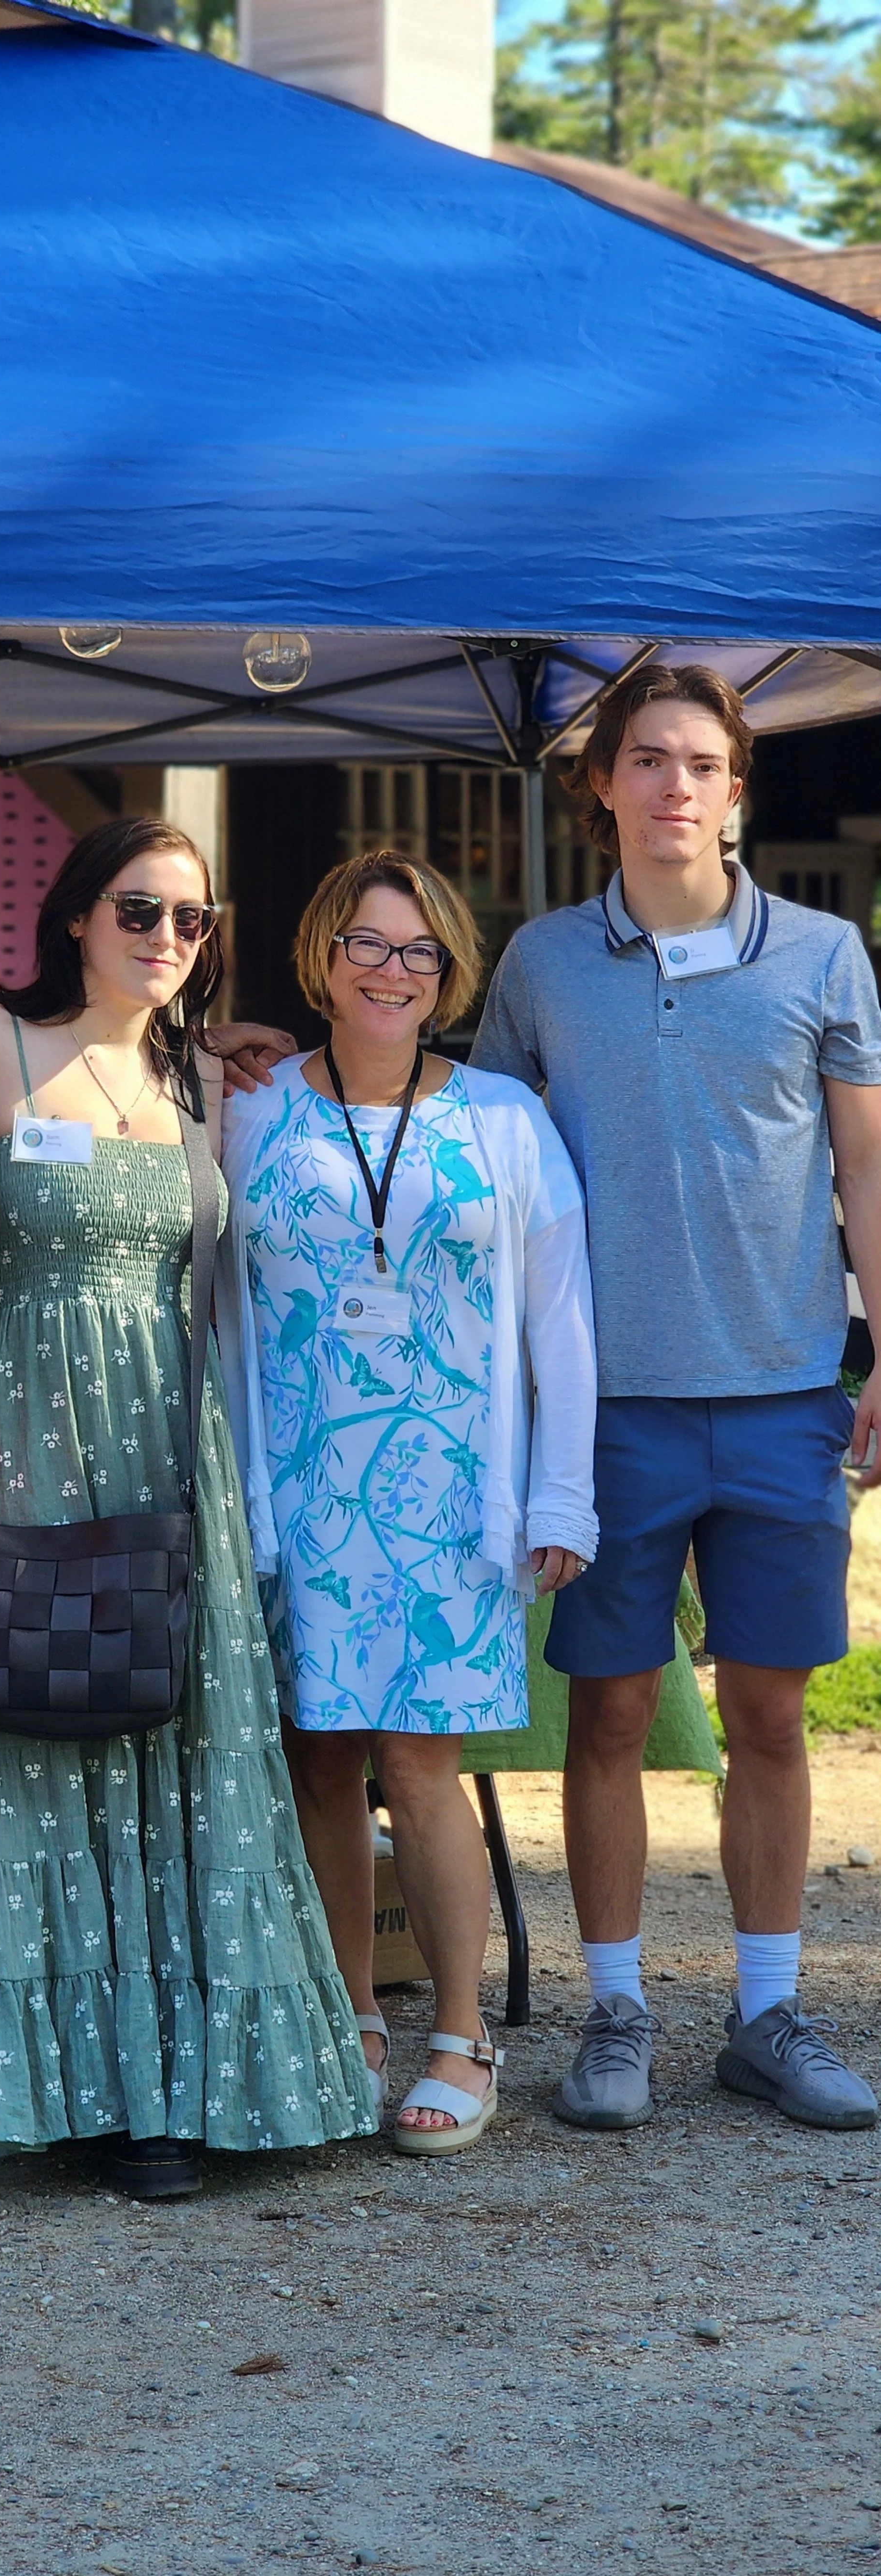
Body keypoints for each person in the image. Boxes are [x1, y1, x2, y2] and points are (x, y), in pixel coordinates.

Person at [0, 816, 376, 2193]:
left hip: (172, 1438)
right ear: (72, 915)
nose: (165, 938)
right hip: (26, 1435)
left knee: (178, 1745)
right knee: (40, 1725)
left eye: (189, 919)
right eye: (137, 909)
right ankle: (61, 2091)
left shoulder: (200, 1085)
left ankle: (175, 2090)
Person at [474, 662, 881, 2132]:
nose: (672, 786)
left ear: (735, 789)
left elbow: (865, 1168)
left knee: (771, 1718)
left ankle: (767, 2014)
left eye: (701, 763)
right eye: (644, 759)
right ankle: (616, 2012)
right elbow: (487, 1164)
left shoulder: (827, 956)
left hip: (782, 1392)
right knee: (609, 1714)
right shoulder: (536, 966)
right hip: (603, 1407)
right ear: (600, 785)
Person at [217, 851, 598, 2154]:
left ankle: (456, 2028)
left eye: (419, 952)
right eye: (367, 946)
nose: (392, 971)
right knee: (318, 1758)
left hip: (448, 1498)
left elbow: (563, 1323)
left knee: (421, 1766)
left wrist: (560, 1494)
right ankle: (346, 2021)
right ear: (321, 956)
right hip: (302, 1495)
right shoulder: (252, 1109)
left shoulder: (503, 1120)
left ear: (449, 975)